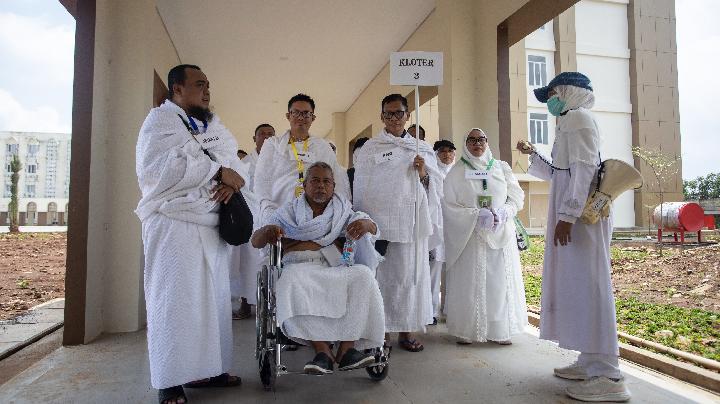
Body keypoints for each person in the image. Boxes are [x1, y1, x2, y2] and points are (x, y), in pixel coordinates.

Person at [135, 64, 244, 404]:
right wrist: (217, 171)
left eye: (208, 84)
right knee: (175, 303)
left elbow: (235, 162)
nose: (207, 90)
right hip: (173, 223)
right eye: (199, 84)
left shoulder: (215, 126)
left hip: (211, 224)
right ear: (177, 89)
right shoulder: (159, 122)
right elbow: (158, 170)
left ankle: (211, 370)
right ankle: (169, 381)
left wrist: (230, 181)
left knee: (212, 303)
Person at [518, 72, 631, 402]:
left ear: (570, 92)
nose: (551, 100)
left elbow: (584, 171)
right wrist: (533, 153)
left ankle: (609, 375)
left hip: (582, 219)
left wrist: (567, 216)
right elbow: (560, 173)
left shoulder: (579, 119)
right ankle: (590, 360)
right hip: (574, 217)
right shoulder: (570, 121)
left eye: (554, 93)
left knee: (591, 286)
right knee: (579, 285)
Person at [251, 162, 384, 374]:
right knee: (291, 280)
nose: (321, 185)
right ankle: (322, 351)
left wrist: (366, 225)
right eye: (315, 180)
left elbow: (371, 226)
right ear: (304, 185)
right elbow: (256, 241)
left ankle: (347, 349)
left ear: (333, 186)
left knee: (364, 276)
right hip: (299, 265)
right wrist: (267, 231)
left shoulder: (342, 211)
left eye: (326, 181)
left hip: (334, 265)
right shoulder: (287, 212)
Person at [353, 94, 443, 352]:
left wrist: (423, 173)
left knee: (410, 279)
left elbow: (435, 188)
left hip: (410, 224)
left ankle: (407, 330)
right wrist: (365, 219)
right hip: (380, 226)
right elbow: (362, 187)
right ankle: (381, 332)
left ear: (408, 115)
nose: (394, 118)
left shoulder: (421, 149)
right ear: (381, 116)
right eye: (389, 113)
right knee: (382, 279)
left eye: (399, 113)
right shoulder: (371, 148)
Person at [443, 128, 527, 345]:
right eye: (471, 140)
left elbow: (516, 197)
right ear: (465, 144)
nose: (477, 144)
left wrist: (504, 211)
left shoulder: (501, 167)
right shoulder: (456, 172)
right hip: (470, 236)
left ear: (487, 142)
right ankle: (467, 330)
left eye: (481, 139)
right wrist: (475, 215)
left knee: (499, 284)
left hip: (500, 233)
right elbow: (448, 205)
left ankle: (500, 331)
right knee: (470, 282)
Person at [254, 93, 350, 226]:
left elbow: (338, 181)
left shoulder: (323, 147)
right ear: (288, 116)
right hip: (279, 213)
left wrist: (337, 211)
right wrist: (268, 211)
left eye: (306, 113)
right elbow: (261, 181)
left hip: (317, 216)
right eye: (296, 113)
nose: (300, 117)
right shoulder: (272, 145)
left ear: (313, 118)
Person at [230, 123, 275, 319]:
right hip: (250, 217)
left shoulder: (279, 159)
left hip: (272, 216)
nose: (266, 137)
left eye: (270, 134)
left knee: (272, 262)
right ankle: (245, 304)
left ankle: (270, 306)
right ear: (254, 138)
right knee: (248, 264)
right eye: (262, 134)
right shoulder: (245, 163)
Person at [428, 139, 456, 323]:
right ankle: (431, 312)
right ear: (436, 154)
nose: (446, 155)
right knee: (434, 272)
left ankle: (452, 311)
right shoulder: (431, 172)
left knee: (454, 273)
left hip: (456, 228)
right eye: (442, 151)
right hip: (437, 228)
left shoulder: (459, 173)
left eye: (450, 151)